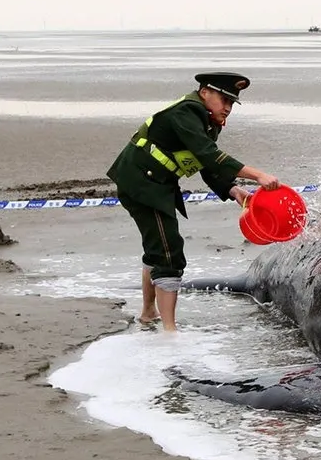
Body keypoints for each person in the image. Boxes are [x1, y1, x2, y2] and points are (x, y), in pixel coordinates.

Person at [107, 72, 282, 331]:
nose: (228, 108)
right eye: (224, 100)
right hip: (142, 183)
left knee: (158, 246)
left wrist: (234, 191)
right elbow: (210, 155)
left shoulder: (207, 121)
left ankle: (148, 313)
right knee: (169, 254)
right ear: (205, 92)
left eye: (232, 103)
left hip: (155, 182)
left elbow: (206, 167)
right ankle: (169, 332)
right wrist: (257, 175)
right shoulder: (187, 113)